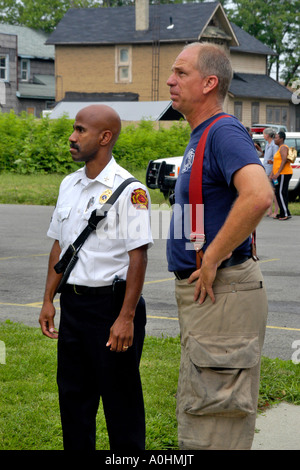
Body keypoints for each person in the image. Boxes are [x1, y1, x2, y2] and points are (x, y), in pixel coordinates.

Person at [166, 42, 273, 450]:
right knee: (204, 410)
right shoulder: (202, 135)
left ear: (209, 83)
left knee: (215, 418)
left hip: (222, 288)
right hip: (210, 295)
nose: (171, 81)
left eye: (181, 73)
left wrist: (211, 257)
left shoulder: (223, 131)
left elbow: (258, 195)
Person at [39, 104, 153, 451]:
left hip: (111, 307)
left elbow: (139, 256)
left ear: (105, 137)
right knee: (73, 401)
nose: (72, 138)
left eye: (80, 130)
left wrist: (126, 317)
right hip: (73, 305)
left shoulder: (131, 191)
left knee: (122, 405)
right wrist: (48, 300)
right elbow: (60, 247)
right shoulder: (69, 184)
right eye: (73, 130)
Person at [270, 131, 293, 220]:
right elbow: (277, 162)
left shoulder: (283, 147)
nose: (275, 139)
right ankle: (284, 212)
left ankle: (285, 214)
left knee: (280, 193)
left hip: (284, 173)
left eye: (276, 137)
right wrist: (272, 173)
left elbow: (284, 160)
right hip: (280, 174)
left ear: (281, 139)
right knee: (281, 193)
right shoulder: (279, 148)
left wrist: (278, 173)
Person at [263, 128, 279, 217]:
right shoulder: (267, 144)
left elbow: (276, 159)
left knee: (274, 191)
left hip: (272, 172)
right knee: (269, 191)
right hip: (267, 171)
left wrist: (272, 174)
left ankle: (276, 210)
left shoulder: (274, 145)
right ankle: (270, 210)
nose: (263, 136)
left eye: (264, 134)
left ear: (268, 135)